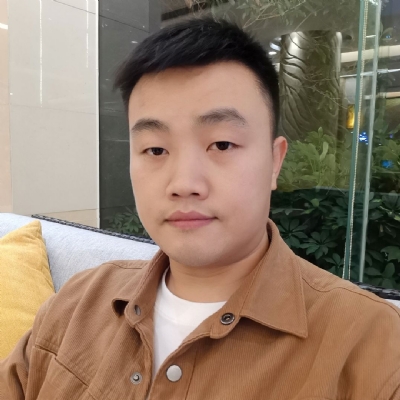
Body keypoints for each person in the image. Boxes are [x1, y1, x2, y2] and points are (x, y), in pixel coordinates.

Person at [1, 17, 400, 400]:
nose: (184, 183)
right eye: (155, 149)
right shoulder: (77, 303)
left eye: (221, 144)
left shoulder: (371, 344)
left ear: (275, 162)